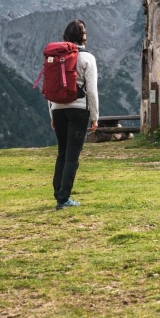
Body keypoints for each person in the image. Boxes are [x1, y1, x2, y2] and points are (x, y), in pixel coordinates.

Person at [50, 19, 98, 210]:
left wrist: (52, 114)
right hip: (78, 110)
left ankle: (58, 193)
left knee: (62, 152)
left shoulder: (57, 57)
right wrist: (94, 116)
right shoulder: (87, 58)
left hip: (57, 109)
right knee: (72, 155)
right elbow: (92, 90)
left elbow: (51, 89)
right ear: (82, 36)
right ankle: (64, 199)